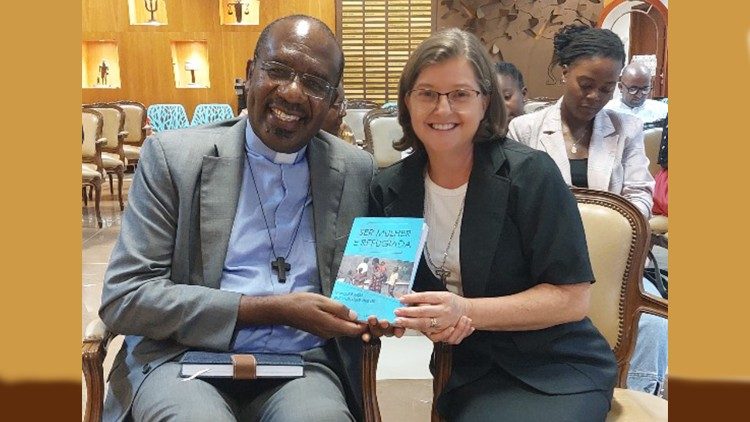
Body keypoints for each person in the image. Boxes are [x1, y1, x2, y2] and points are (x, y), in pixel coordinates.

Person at [99, 15, 377, 422]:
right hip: (183, 359)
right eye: (278, 71)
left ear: (334, 100)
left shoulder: (355, 170)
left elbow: (369, 285)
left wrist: (376, 311)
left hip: (302, 365)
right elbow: (126, 297)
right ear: (250, 74)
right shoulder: (175, 159)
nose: (293, 93)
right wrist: (271, 309)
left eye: (315, 84)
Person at [370, 28, 617, 421]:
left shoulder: (530, 174)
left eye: (460, 94)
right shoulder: (389, 188)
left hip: (555, 365)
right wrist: (376, 311)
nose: (442, 109)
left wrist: (464, 309)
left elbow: (572, 299)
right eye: (428, 93)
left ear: (485, 102)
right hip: (468, 369)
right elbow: (377, 293)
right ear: (407, 102)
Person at [508, 24, 667, 396]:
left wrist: (613, 227)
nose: (596, 96)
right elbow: (516, 202)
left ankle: (630, 397)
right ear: (564, 71)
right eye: (586, 83)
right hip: (542, 265)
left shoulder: (626, 127)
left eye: (608, 88)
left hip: (612, 261)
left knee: (654, 326)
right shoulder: (526, 129)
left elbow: (641, 195)